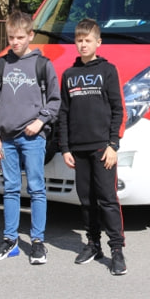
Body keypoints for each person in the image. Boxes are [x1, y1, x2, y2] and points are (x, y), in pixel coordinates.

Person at [0, 11, 60, 264]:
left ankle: (38, 242)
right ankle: (10, 240)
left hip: (33, 139)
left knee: (37, 189)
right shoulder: (1, 64)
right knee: (10, 189)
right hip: (5, 138)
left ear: (30, 36)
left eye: (19, 37)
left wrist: (40, 121)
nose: (15, 42)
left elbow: (54, 100)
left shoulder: (43, 65)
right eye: (10, 37)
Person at [58, 18, 127, 275]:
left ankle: (117, 250)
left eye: (88, 40)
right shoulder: (69, 74)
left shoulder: (108, 71)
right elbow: (63, 114)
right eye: (79, 40)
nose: (83, 44)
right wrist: (65, 148)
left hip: (102, 148)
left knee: (108, 199)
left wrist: (113, 145)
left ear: (98, 42)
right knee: (86, 201)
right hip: (78, 149)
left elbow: (118, 110)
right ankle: (93, 244)